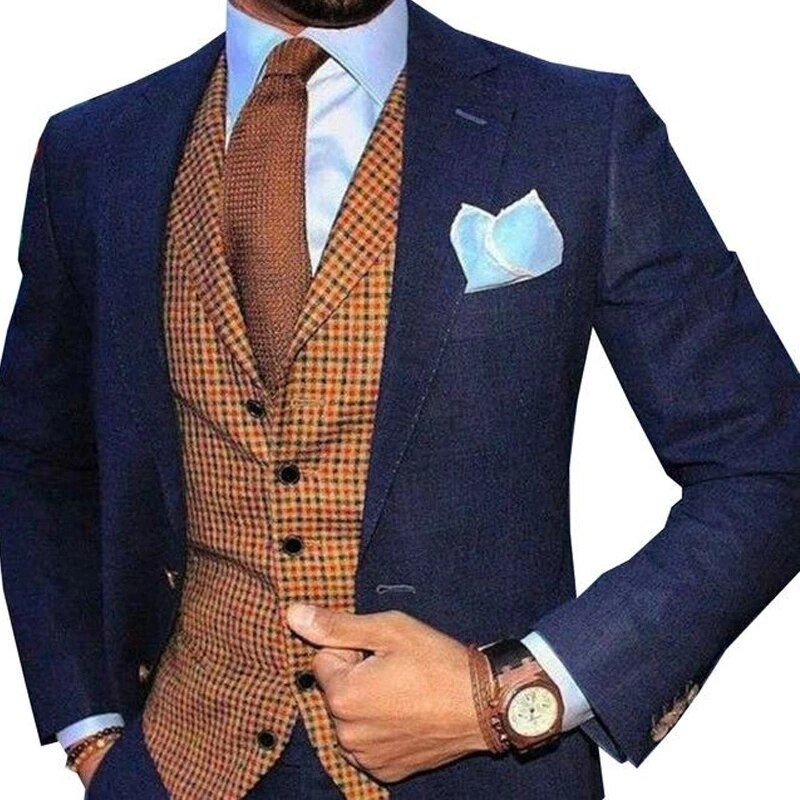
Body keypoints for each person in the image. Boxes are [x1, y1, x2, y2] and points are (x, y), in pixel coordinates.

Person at [0, 0, 798, 797]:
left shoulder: (578, 127)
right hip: (175, 762)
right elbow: (39, 457)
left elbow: (768, 464)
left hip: (480, 780)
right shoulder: (95, 150)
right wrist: (90, 730)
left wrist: (522, 689)